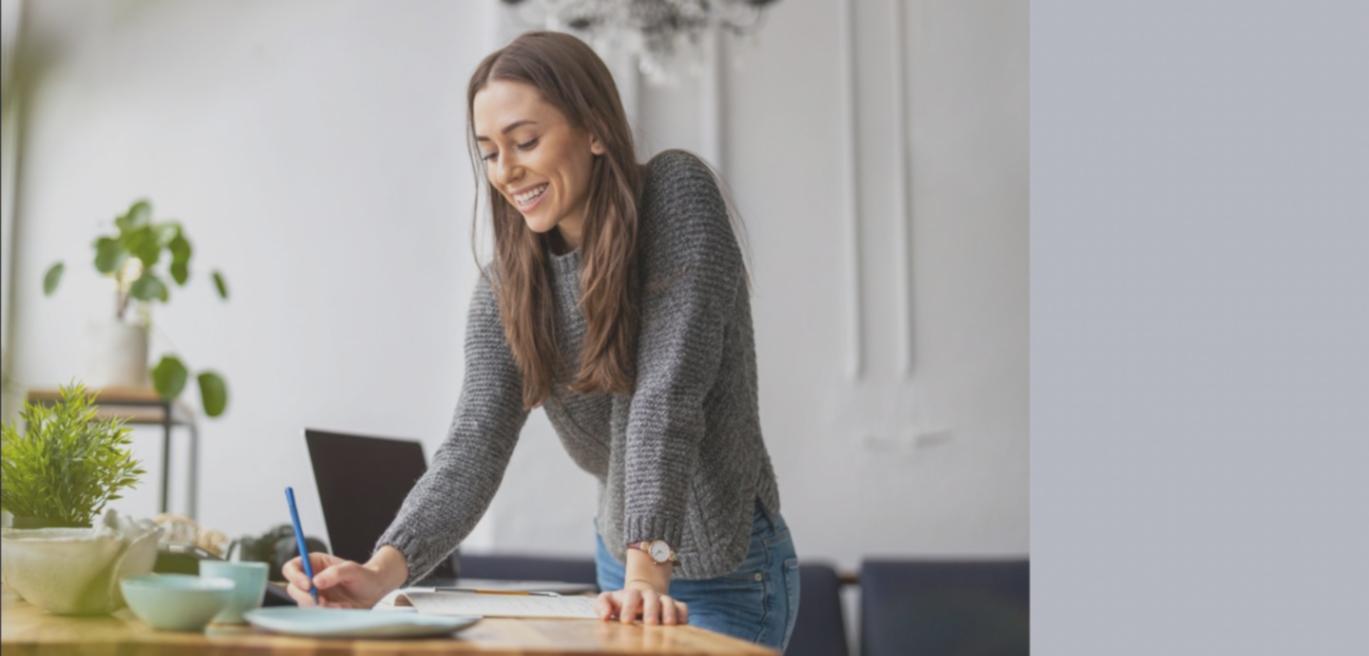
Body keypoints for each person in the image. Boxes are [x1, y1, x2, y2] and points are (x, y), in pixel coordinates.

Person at [283, 30, 798, 650]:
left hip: (724, 567)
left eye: (525, 141)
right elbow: (474, 444)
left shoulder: (675, 194)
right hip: (621, 568)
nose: (507, 170)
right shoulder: (509, 285)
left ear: (595, 130)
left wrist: (648, 573)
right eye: (490, 152)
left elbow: (666, 394)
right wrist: (379, 572)